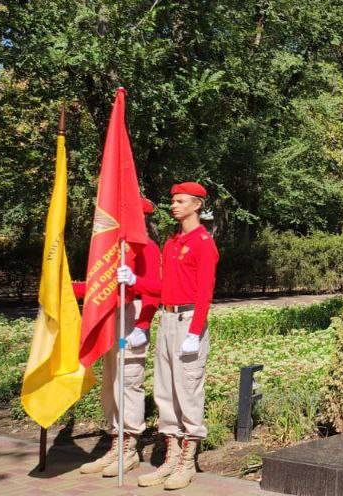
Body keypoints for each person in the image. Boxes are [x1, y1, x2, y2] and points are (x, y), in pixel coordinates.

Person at [136, 181, 219, 490]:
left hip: (188, 321)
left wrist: (195, 332)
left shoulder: (203, 242)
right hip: (167, 318)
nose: (174, 205)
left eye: (181, 201)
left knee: (188, 389)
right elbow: (164, 287)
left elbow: (205, 291)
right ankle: (170, 459)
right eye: (173, 201)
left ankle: (187, 462)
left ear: (197, 205)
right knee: (165, 391)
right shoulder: (171, 242)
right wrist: (134, 282)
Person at [73, 197, 161, 478]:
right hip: (111, 317)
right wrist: (66, 289)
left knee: (128, 382)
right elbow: (101, 286)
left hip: (131, 318)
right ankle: (115, 443)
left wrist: (143, 326)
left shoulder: (146, 247)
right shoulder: (113, 250)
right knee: (111, 383)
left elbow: (153, 291)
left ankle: (129, 449)